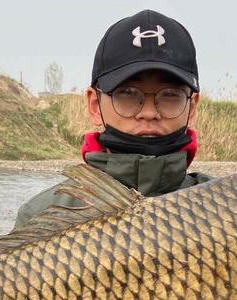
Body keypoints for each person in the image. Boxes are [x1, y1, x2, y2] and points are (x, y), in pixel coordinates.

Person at [14, 9, 212, 229]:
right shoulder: (39, 216)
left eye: (169, 95)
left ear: (191, 107)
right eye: (127, 93)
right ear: (94, 105)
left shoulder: (223, 209)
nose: (148, 112)